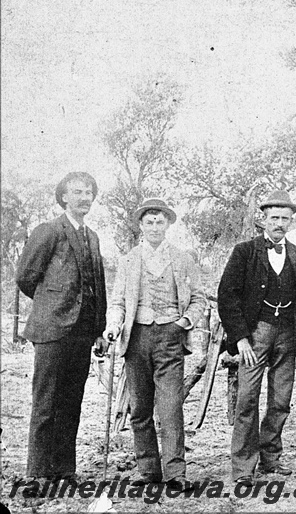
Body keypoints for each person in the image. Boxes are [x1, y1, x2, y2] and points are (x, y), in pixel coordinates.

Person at [218, 190, 296, 483]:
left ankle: (271, 458)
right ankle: (243, 467)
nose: (279, 223)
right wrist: (240, 338)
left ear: (292, 221)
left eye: (285, 218)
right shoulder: (245, 252)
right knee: (247, 399)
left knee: (281, 399)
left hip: (287, 335)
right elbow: (227, 296)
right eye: (274, 218)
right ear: (263, 220)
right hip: (255, 334)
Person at [104, 198, 205, 491]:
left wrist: (184, 323)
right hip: (136, 338)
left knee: (171, 406)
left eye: (160, 221)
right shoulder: (128, 260)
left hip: (170, 338)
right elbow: (119, 302)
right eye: (149, 222)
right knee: (140, 408)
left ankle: (176, 473)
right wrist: (113, 325)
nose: (155, 227)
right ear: (140, 226)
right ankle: (148, 470)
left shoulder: (183, 259)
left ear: (168, 225)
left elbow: (198, 297)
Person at [16, 172, 107, 489]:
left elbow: (98, 287)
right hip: (52, 330)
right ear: (64, 197)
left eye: (89, 193)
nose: (85, 197)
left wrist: (98, 329)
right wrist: (52, 305)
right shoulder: (48, 231)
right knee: (46, 403)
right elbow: (26, 278)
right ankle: (39, 473)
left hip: (82, 333)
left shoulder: (92, 237)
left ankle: (64, 469)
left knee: (71, 402)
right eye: (78, 192)